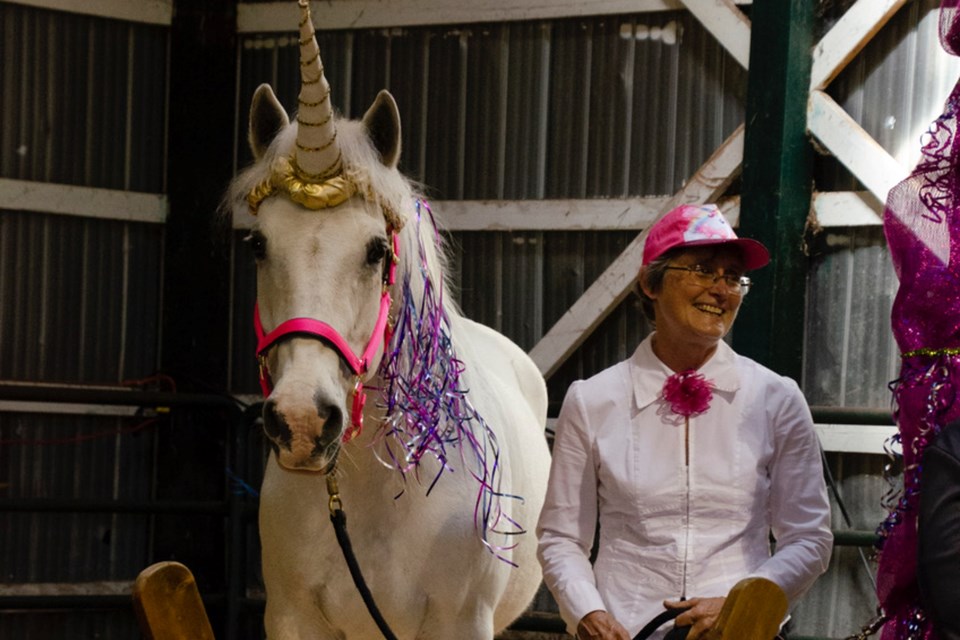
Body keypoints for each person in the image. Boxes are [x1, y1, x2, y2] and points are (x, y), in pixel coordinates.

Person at [536, 203, 833, 640]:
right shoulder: (593, 400)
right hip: (627, 629)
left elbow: (809, 536)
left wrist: (743, 602)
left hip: (742, 632)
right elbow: (561, 537)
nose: (721, 289)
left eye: (733, 277)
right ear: (649, 283)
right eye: (701, 269)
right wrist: (587, 613)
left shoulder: (776, 398)